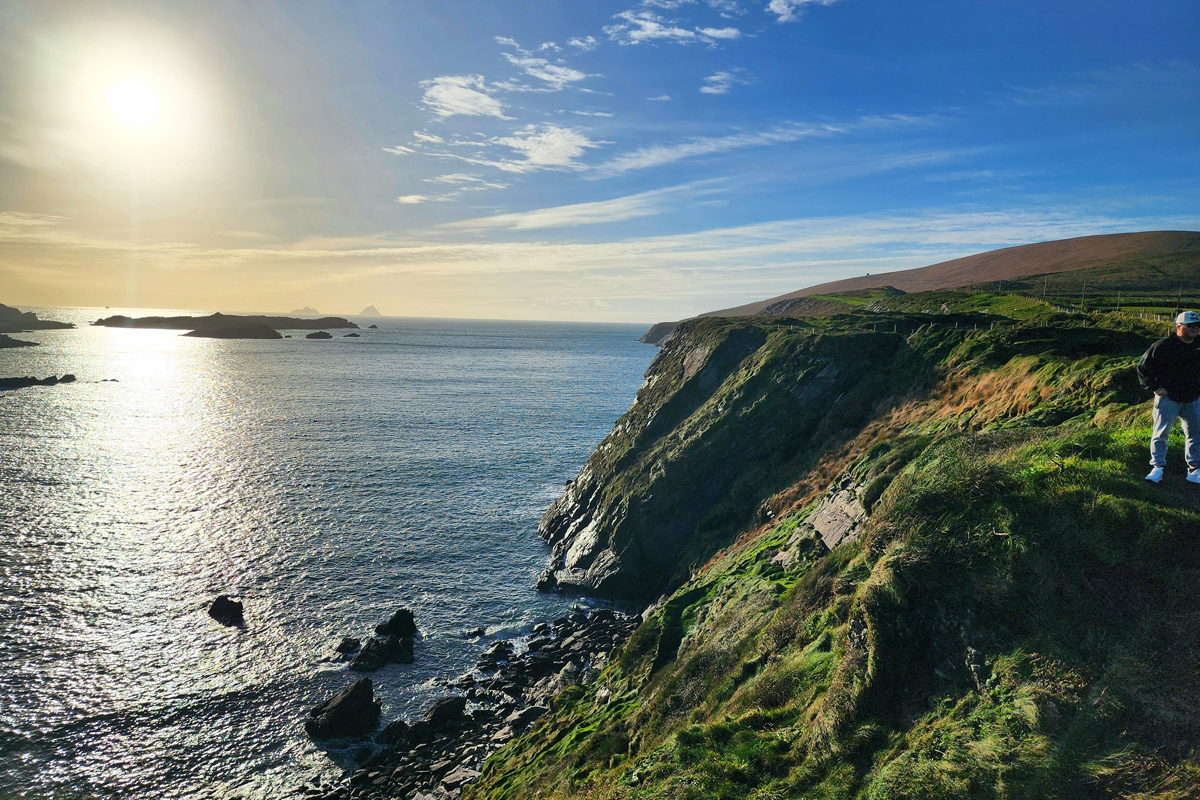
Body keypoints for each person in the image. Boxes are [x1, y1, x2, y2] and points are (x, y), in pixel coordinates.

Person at [1137, 310, 1200, 483]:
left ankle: (1194, 470)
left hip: (1193, 398)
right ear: (1179, 326)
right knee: (1161, 433)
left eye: (1197, 326)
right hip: (1169, 398)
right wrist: (1155, 387)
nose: (1195, 329)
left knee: (1195, 434)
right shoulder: (1163, 346)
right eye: (1191, 326)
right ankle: (1157, 468)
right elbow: (1143, 367)